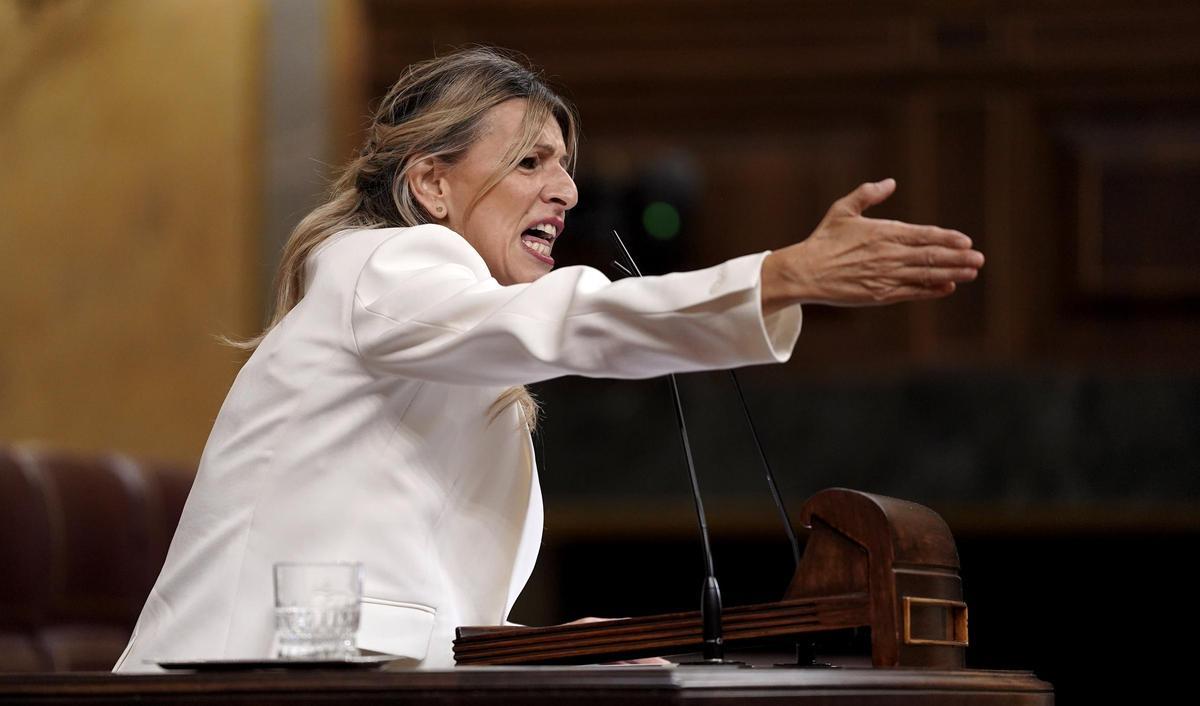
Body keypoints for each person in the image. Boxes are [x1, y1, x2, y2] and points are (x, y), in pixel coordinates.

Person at [113, 48, 982, 672]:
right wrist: (780, 276)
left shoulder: (443, 322)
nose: (564, 190)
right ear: (431, 185)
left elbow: (412, 612)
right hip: (235, 687)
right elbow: (570, 322)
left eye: (565, 166)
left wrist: (551, 654)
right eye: (530, 161)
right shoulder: (386, 264)